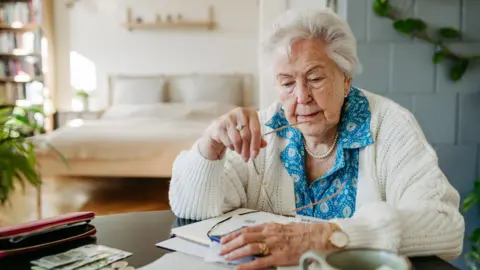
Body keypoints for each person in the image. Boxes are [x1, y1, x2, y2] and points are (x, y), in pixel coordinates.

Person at [168, 8, 465, 270]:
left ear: (346, 78)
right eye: (287, 82)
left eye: (315, 78)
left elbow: (445, 226)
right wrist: (210, 147)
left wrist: (332, 236)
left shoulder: (389, 126)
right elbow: (194, 209)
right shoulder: (266, 129)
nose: (301, 97)